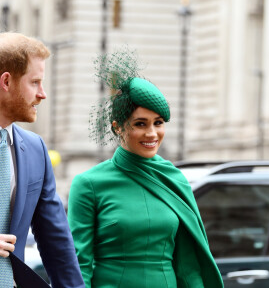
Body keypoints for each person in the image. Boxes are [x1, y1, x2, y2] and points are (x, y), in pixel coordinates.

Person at [68, 49, 224, 288]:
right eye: (140, 124)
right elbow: (80, 264)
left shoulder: (174, 178)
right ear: (118, 127)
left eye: (158, 123)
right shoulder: (88, 183)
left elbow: (187, 264)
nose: (152, 133)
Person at [0, 32, 84, 287]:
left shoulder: (36, 149)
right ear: (6, 81)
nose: (43, 94)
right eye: (35, 82)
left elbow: (56, 240)